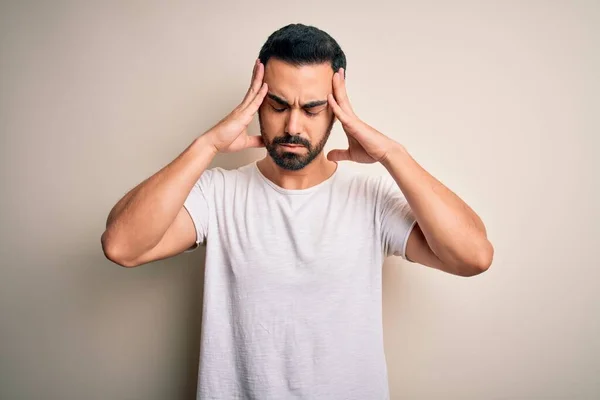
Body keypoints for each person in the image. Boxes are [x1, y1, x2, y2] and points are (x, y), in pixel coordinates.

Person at [102, 23, 493, 400]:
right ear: (256, 102)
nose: (293, 125)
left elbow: (473, 256)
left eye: (312, 108)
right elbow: (122, 246)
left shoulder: (370, 198)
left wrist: (393, 154)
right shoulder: (219, 194)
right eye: (277, 105)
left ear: (337, 110)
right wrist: (206, 145)